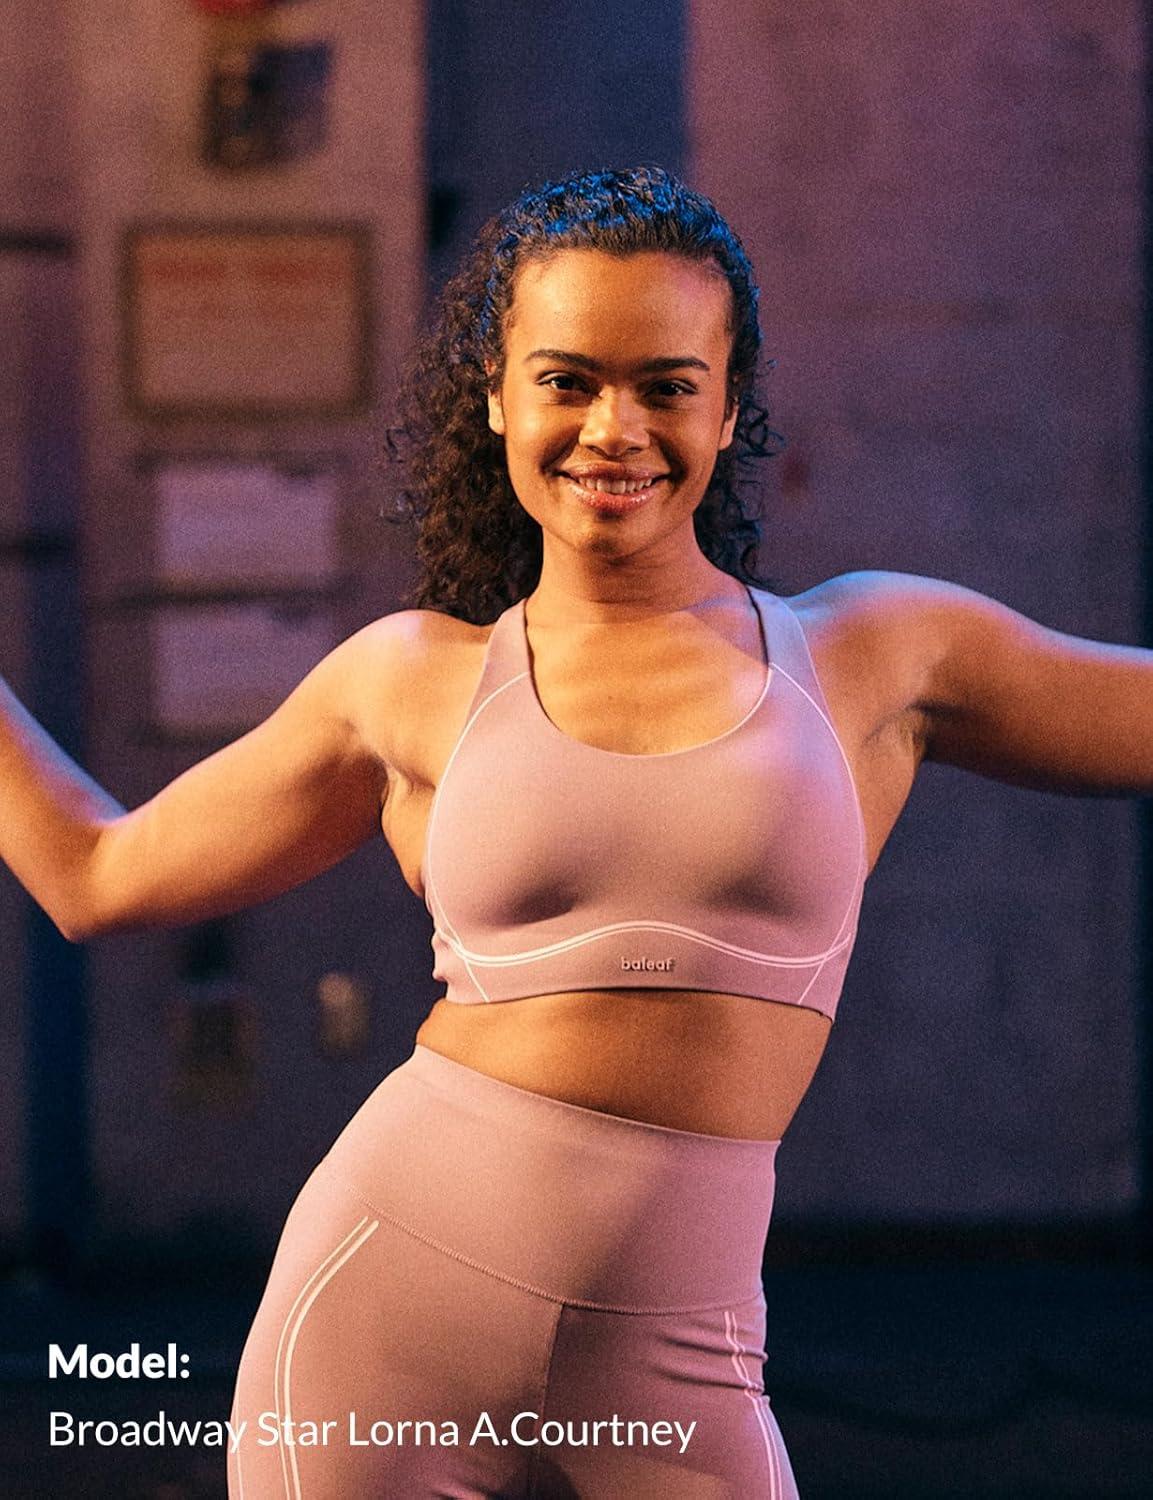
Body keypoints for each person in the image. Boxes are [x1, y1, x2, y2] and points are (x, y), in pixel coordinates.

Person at [1, 164, 1150, 1499]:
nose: (615, 428)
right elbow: (92, 872)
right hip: (384, 1316)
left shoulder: (878, 656)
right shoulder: (408, 679)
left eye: (666, 384)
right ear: (496, 397)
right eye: (567, 380)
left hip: (679, 1358)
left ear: (727, 406)